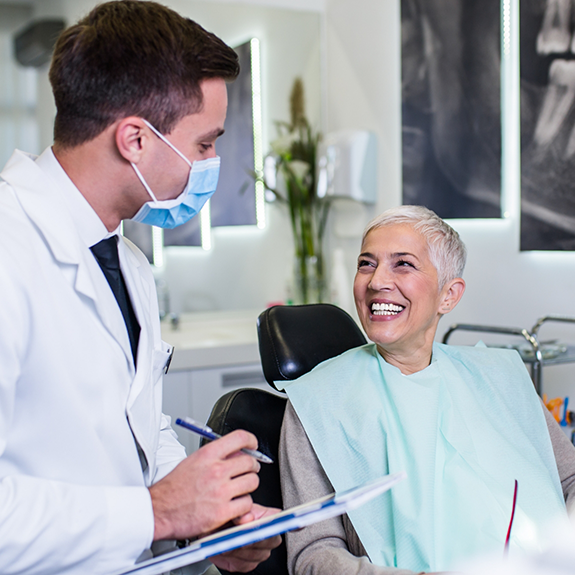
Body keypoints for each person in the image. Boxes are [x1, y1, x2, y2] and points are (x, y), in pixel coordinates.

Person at [0, 2, 280, 573]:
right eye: (204, 144)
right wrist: (158, 513)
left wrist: (206, 524)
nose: (213, 162)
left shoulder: (126, 261)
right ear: (134, 139)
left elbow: (138, 428)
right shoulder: (10, 250)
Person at [278, 205, 575, 574]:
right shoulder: (317, 402)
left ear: (448, 295)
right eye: (366, 264)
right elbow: (313, 553)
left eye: (402, 264)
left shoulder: (500, 376)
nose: (376, 282)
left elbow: (569, 478)